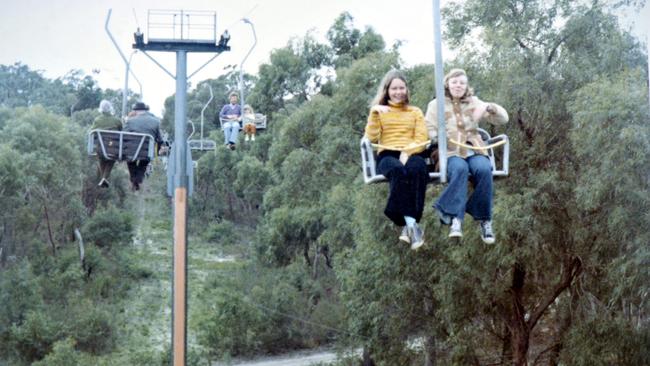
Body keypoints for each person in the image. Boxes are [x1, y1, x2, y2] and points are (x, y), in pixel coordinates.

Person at [424, 68, 509, 244]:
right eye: (455, 82)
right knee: (460, 169)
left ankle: (484, 219)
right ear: (447, 83)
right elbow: (429, 129)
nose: (458, 86)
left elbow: (503, 119)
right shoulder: (436, 104)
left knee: (485, 169)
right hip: (450, 151)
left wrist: (489, 107)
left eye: (462, 83)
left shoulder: (473, 102)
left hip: (474, 148)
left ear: (466, 85)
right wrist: (442, 137)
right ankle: (456, 219)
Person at [364, 70, 429, 249]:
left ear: (407, 90)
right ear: (387, 91)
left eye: (402, 88)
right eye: (394, 88)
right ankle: (412, 225)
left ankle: (409, 227)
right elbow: (371, 137)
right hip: (388, 154)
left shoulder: (415, 111)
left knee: (418, 170)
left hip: (412, 152)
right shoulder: (380, 111)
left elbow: (422, 138)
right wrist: (374, 113)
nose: (398, 92)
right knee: (398, 171)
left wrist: (408, 152)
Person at [123, 102, 163, 191]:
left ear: (136, 111)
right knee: (143, 163)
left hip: (131, 151)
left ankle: (134, 181)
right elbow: (160, 140)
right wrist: (157, 152)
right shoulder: (155, 122)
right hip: (146, 151)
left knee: (131, 162)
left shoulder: (130, 121)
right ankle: (138, 180)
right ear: (145, 110)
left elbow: (123, 136)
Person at [91, 100, 122, 188]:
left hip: (101, 148)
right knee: (111, 159)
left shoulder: (97, 120)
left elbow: (92, 132)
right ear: (110, 108)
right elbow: (122, 132)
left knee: (101, 158)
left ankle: (103, 178)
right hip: (113, 147)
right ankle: (104, 178)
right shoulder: (117, 120)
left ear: (101, 109)